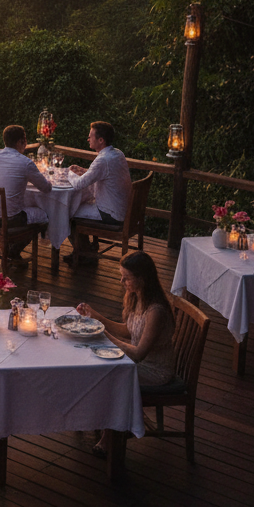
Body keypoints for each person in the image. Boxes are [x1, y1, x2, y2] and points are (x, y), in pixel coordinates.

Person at [76, 250, 177, 455]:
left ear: (142, 278)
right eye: (121, 275)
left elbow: (139, 353)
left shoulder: (155, 311)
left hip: (155, 370)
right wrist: (96, 317)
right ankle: (108, 422)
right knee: (97, 366)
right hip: (139, 362)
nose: (122, 281)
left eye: (127, 277)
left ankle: (111, 436)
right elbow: (127, 329)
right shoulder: (135, 297)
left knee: (110, 375)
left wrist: (103, 334)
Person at [66, 120, 132, 264]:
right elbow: (104, 174)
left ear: (101, 140)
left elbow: (78, 184)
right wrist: (84, 171)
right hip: (123, 209)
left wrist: (68, 172)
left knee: (66, 212)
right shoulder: (117, 153)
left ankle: (84, 254)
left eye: (91, 136)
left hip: (110, 213)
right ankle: (85, 251)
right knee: (73, 209)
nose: (88, 139)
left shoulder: (102, 160)